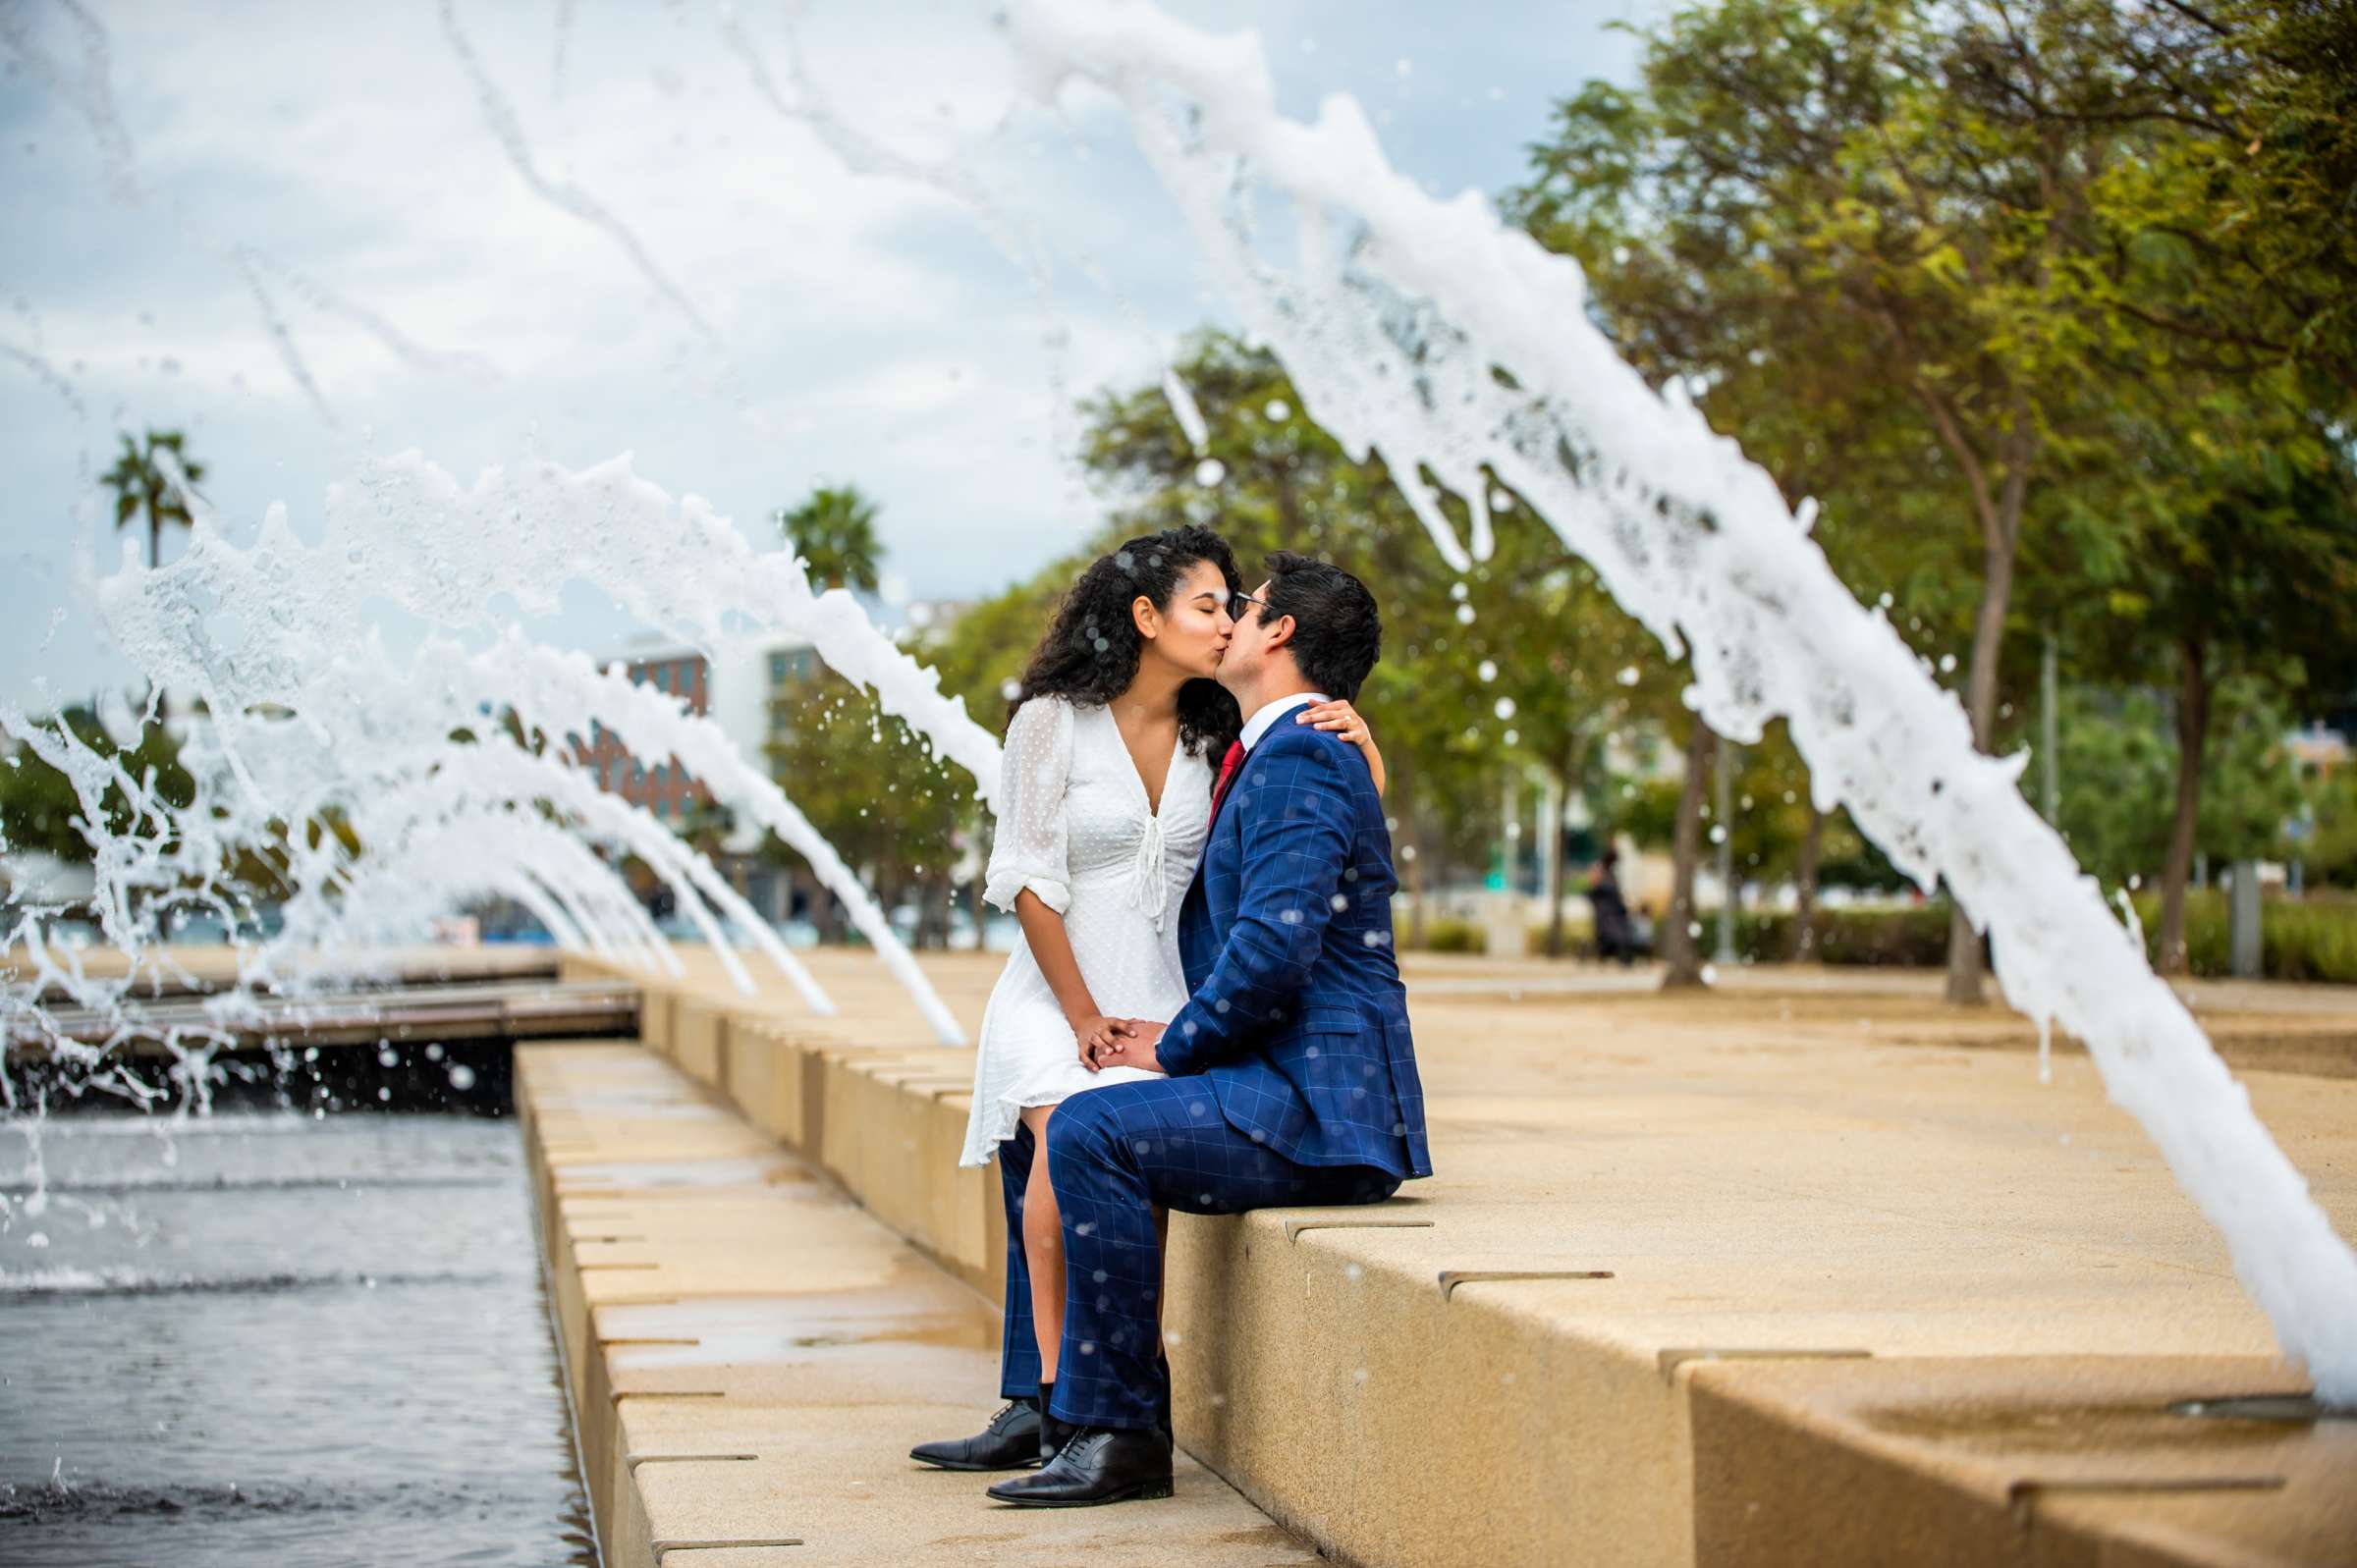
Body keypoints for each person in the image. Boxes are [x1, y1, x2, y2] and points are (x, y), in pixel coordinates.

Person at [910, 529, 1386, 1479]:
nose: (1222, 622)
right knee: (1053, 1161)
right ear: (1143, 617)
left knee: (1093, 1170)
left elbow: (1316, 842)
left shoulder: (1224, 735)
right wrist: (1084, 1014)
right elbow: (1030, 880)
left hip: (1169, 987)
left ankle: (1073, 1406)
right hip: (1062, 983)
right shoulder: (1052, 719)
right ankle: (1054, 1402)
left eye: (1232, 606)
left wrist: (1367, 752)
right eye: (1207, 605)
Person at [1588, 847, 1639, 965]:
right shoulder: (1602, 873)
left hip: (1613, 913)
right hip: (1608, 915)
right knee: (1617, 932)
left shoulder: (1610, 875)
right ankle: (1620, 955)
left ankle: (1625, 956)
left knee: (1623, 930)